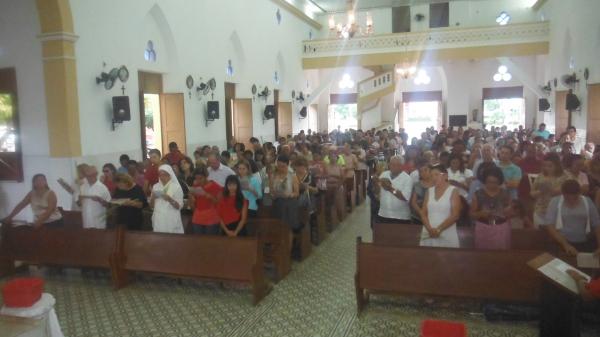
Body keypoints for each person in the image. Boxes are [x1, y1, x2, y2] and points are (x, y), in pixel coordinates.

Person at [545, 179, 600, 256]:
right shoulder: (555, 201)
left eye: (575, 198)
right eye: (567, 198)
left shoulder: (587, 201)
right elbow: (550, 225)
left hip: (585, 243)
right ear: (563, 194)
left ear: (579, 193)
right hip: (561, 242)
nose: (571, 201)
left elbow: (597, 224)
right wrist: (565, 245)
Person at [419, 165, 461, 248]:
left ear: (445, 175)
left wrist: (439, 229)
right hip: (429, 231)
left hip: (446, 232)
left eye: (436, 175)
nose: (434, 178)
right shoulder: (429, 191)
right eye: (431, 176)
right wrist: (429, 229)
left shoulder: (453, 190)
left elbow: (455, 215)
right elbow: (423, 213)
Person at [531, 154, 570, 228]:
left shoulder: (565, 176)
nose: (547, 168)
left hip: (559, 211)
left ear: (557, 165)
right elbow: (532, 193)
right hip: (540, 210)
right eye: (545, 165)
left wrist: (550, 189)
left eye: (550, 166)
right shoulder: (541, 176)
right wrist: (540, 192)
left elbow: (566, 191)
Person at [376, 156, 413, 223]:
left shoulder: (407, 179)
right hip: (383, 214)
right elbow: (377, 191)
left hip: (400, 217)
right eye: (392, 164)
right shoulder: (384, 174)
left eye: (397, 165)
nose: (393, 166)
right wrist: (375, 183)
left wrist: (390, 189)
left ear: (402, 166)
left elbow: (404, 197)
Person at [270, 154, 300, 232]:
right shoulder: (273, 176)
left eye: (283, 166)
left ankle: (290, 232)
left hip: (290, 201)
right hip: (278, 201)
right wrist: (274, 195)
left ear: (287, 164)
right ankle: (281, 233)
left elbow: (296, 193)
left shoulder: (292, 176)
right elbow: (271, 191)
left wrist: (289, 194)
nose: (280, 168)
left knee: (287, 208)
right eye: (279, 166)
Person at [188, 166, 223, 235]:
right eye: (196, 178)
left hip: (211, 218)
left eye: (200, 178)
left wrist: (210, 197)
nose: (198, 181)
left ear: (206, 176)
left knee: (210, 242)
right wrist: (191, 199)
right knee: (198, 242)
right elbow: (193, 208)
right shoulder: (195, 187)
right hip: (198, 218)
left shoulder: (215, 186)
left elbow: (220, 204)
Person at [150, 165, 184, 233]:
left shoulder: (176, 187)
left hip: (171, 219)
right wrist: (153, 198)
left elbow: (179, 206)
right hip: (158, 219)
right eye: (160, 175)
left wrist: (170, 200)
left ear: (170, 175)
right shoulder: (156, 186)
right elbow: (151, 206)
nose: (162, 177)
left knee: (172, 241)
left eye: (164, 175)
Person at [410, 160, 434, 225]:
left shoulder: (437, 184)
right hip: (418, 216)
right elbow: (413, 202)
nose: (423, 173)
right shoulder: (417, 184)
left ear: (431, 171)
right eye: (421, 171)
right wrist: (421, 213)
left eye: (425, 170)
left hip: (434, 216)